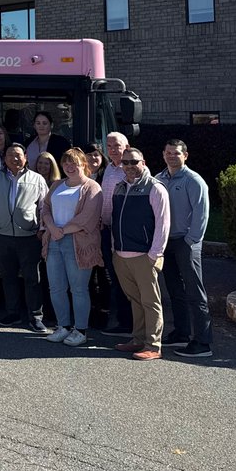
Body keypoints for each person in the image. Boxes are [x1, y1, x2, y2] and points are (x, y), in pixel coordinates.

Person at [106, 148, 171, 361]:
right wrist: (115, 249)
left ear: (143, 162)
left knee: (150, 301)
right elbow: (115, 219)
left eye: (133, 162)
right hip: (121, 255)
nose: (129, 166)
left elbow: (163, 224)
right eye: (125, 163)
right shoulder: (119, 187)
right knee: (135, 299)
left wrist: (154, 255)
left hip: (144, 256)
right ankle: (138, 339)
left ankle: (153, 345)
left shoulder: (155, 188)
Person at [0, 143, 50, 332]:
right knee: (8, 277)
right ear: (5, 159)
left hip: (29, 236)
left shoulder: (36, 179)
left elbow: (44, 207)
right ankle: (12, 313)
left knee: (32, 278)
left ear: (26, 157)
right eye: (10, 155)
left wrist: (42, 229)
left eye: (18, 155)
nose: (15, 158)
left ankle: (35, 316)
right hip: (2, 236)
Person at [39, 148, 102, 347]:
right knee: (56, 288)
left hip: (78, 243)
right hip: (54, 241)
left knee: (79, 289)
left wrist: (62, 230)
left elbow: (88, 218)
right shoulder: (57, 185)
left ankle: (80, 330)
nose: (69, 166)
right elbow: (45, 207)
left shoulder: (92, 187)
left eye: (74, 162)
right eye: (66, 163)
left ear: (83, 164)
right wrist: (51, 227)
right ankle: (63, 326)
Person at [156, 139, 213, 358]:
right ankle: (181, 332)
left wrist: (191, 240)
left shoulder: (193, 180)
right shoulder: (159, 178)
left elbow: (202, 213)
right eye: (168, 153)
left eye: (176, 153)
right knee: (174, 290)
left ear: (185, 155)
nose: (172, 156)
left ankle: (203, 341)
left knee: (194, 292)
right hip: (166, 242)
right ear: (163, 154)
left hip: (185, 242)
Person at [98, 132, 133, 336]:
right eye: (109, 145)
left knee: (125, 278)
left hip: (124, 232)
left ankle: (129, 323)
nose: (112, 149)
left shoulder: (132, 168)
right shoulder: (109, 169)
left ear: (126, 146)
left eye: (117, 145)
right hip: (106, 229)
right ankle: (122, 321)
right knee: (114, 277)